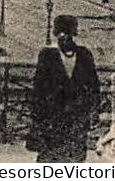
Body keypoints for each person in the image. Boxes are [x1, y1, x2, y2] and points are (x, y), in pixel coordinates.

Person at [29, 15, 102, 163]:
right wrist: (39, 118)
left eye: (67, 34)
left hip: (77, 121)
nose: (63, 38)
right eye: (60, 35)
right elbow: (38, 89)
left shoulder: (84, 55)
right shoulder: (47, 56)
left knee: (74, 162)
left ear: (73, 35)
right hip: (52, 122)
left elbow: (94, 87)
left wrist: (91, 112)